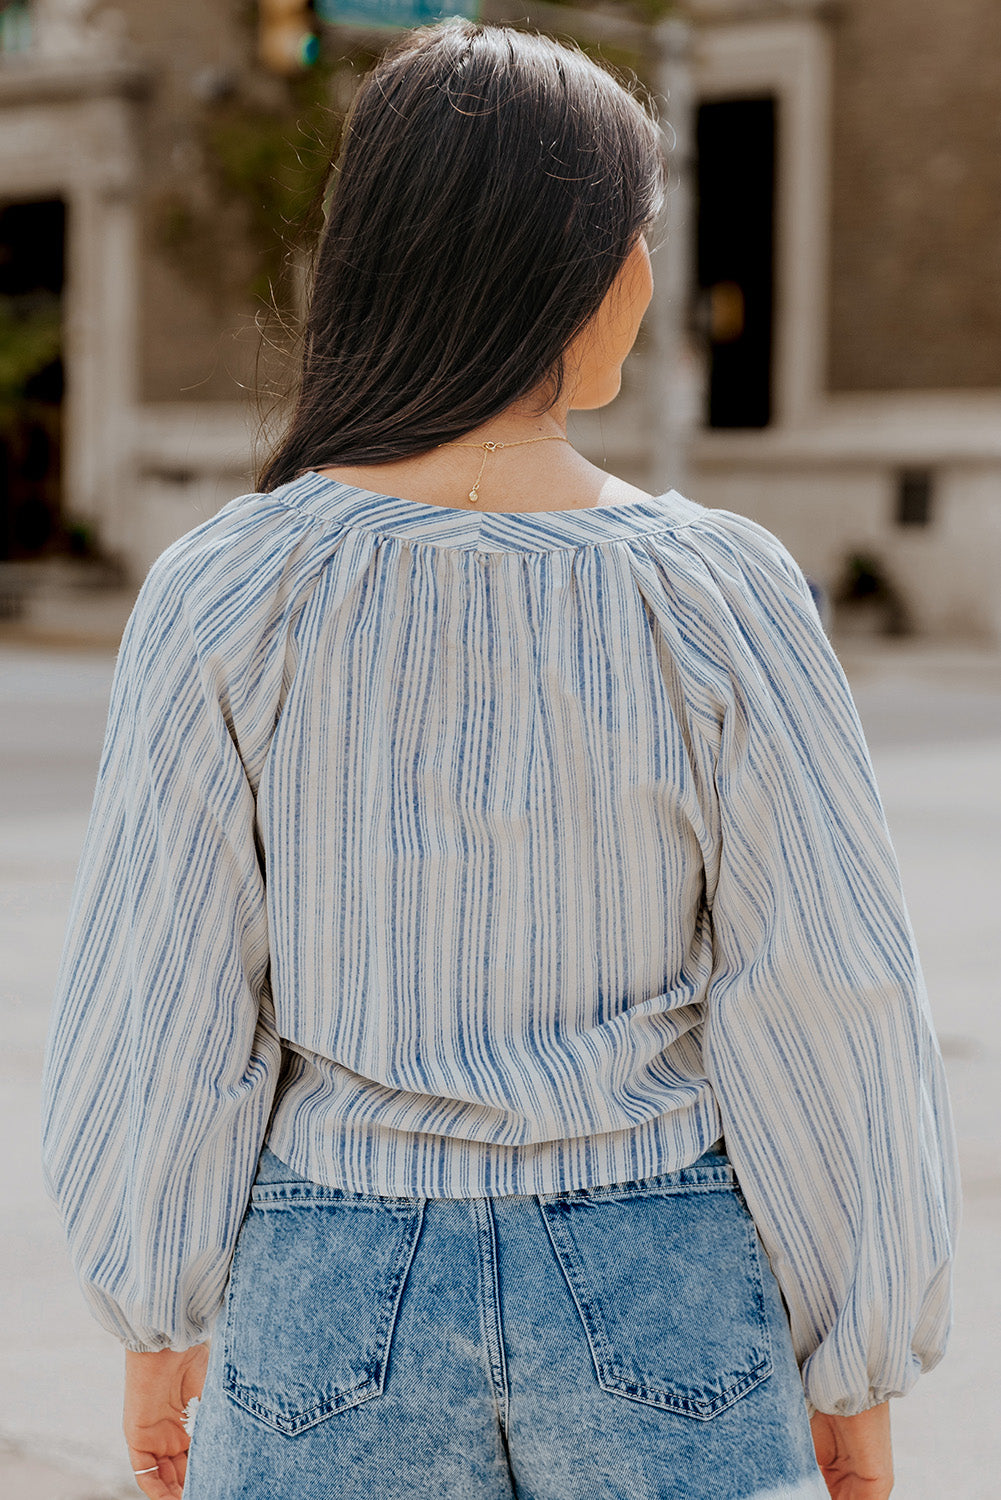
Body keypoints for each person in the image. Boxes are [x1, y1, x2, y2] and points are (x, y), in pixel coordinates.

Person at [40, 17, 960, 1500]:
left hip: (326, 1290)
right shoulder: (713, 591)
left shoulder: (231, 587)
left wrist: (157, 1306)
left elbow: (167, 985)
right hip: (663, 1277)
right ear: (567, 263)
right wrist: (855, 1353)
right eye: (637, 238)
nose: (648, 284)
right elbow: (824, 990)